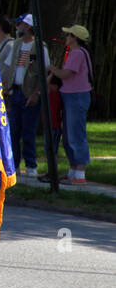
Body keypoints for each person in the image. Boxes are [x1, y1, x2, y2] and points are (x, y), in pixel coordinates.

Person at [0, 14, 47, 178]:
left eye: (20, 24)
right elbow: (8, 68)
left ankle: (31, 164)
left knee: (28, 131)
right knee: (13, 131)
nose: (17, 27)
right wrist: (5, 87)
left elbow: (43, 73)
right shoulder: (16, 45)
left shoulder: (39, 47)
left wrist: (37, 93)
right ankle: (14, 164)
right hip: (16, 91)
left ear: (27, 27)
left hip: (30, 93)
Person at [48, 24, 94, 184]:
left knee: (76, 135)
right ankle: (73, 171)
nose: (66, 38)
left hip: (76, 97)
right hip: (71, 97)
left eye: (69, 35)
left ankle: (80, 173)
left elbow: (65, 74)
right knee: (69, 135)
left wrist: (51, 68)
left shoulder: (77, 54)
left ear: (75, 38)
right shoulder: (78, 53)